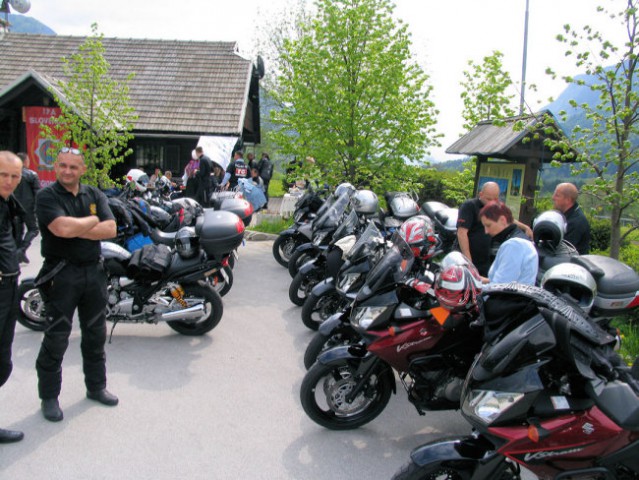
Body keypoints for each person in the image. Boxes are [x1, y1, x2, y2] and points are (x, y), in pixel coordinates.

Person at [35, 146, 119, 423]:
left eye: (73, 167)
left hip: (93, 273)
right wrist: (93, 221)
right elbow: (61, 229)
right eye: (62, 166)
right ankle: (49, 397)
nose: (67, 171)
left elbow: (111, 229)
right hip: (61, 274)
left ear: (82, 169)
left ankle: (96, 387)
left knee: (95, 334)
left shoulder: (93, 194)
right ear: (55, 167)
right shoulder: (46, 196)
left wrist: (79, 226)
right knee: (57, 337)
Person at [0, 151, 26, 443]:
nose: (8, 181)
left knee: (3, 361)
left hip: (9, 285)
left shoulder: (8, 201)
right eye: (3, 174)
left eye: (14, 176)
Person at [479, 200, 538, 285]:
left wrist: (470, 289)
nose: (486, 231)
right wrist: (479, 280)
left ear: (502, 220)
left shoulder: (514, 245)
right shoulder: (518, 240)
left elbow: (500, 287)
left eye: (488, 225)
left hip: (509, 297)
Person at [455, 182, 501, 277]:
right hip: (466, 258)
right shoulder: (469, 206)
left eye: (495, 199)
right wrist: (468, 262)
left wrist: (525, 227)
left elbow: (508, 219)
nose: (491, 202)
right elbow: (462, 233)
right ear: (481, 194)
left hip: (484, 261)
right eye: (488, 199)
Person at [13, 152, 40, 264]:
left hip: (15, 206)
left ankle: (19, 253)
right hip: (28, 207)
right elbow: (37, 193)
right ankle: (21, 250)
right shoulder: (31, 174)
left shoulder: (12, 174)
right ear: (24, 162)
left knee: (19, 231)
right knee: (33, 229)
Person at [552, 182, 591, 254]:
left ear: (568, 200)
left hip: (572, 264)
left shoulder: (576, 222)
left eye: (557, 195)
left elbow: (560, 251)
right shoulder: (564, 216)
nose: (553, 198)